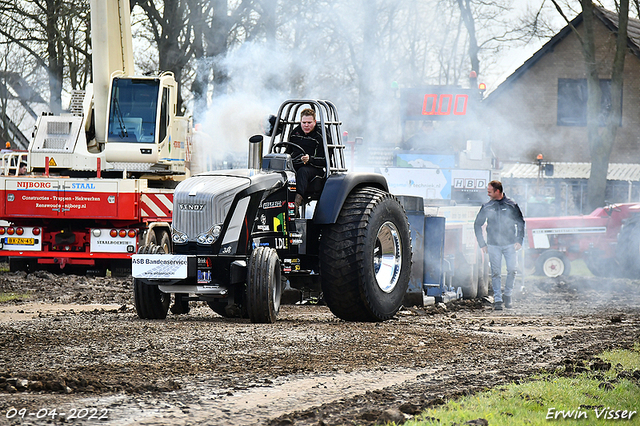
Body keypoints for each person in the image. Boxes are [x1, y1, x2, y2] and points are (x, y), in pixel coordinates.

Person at [473, 180, 525, 310]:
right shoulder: (487, 207)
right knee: (495, 272)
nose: (488, 194)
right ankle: (497, 300)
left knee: (512, 270)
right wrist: (482, 244)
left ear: (497, 191)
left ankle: (507, 295)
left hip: (510, 244)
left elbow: (520, 222)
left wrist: (519, 240)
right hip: (493, 245)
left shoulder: (511, 205)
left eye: (490, 192)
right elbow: (477, 224)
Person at [287, 108, 327, 212]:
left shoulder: (320, 136)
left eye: (309, 122)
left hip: (314, 169)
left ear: (314, 122)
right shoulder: (295, 133)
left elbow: (325, 161)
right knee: (284, 172)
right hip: (296, 164)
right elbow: (288, 151)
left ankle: (296, 203)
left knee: (303, 171)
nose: (306, 125)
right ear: (300, 122)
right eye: (304, 122)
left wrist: (310, 159)